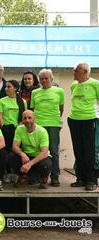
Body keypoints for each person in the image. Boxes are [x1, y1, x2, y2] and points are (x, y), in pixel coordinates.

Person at [30, 69, 65, 187]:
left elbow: (61, 108)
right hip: (39, 125)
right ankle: (39, 176)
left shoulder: (59, 91)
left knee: (54, 151)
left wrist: (57, 121)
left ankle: (55, 176)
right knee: (38, 150)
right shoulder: (35, 92)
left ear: (52, 79)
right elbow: (32, 110)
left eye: (46, 78)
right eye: (41, 79)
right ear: (39, 80)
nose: (44, 80)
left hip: (54, 124)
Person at [68, 62, 99, 191]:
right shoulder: (73, 85)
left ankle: (91, 180)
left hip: (90, 119)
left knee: (89, 151)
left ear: (85, 72)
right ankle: (80, 178)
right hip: (74, 120)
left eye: (76, 70)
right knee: (78, 150)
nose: (74, 73)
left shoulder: (95, 84)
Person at [9, 110, 52, 189]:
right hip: (27, 156)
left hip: (39, 157)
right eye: (25, 118)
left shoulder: (42, 131)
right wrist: (22, 154)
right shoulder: (19, 129)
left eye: (30, 118)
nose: (27, 120)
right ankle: (23, 176)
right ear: (22, 120)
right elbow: (14, 146)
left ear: (34, 119)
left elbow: (44, 153)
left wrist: (30, 164)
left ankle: (44, 179)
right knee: (12, 156)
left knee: (46, 164)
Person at [0, 80, 26, 152]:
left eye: (9, 87)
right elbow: (0, 116)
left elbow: (24, 116)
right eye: (5, 87)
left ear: (15, 88)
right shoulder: (1, 101)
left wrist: (19, 127)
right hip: (6, 129)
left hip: (18, 129)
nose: (6, 88)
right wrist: (3, 127)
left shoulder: (23, 101)